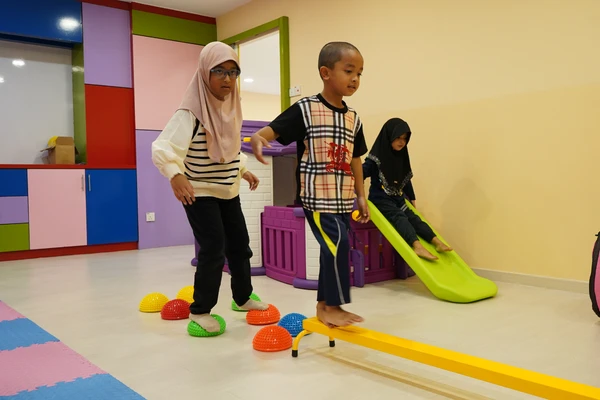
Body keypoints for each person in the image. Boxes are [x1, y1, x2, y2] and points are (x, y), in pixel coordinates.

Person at [152, 42, 268, 333]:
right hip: (199, 192)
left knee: (240, 246)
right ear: (205, 72)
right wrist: (175, 174)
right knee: (214, 249)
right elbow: (163, 147)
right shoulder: (190, 112)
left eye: (233, 72)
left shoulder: (232, 108)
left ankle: (242, 298)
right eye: (220, 72)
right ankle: (201, 310)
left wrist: (242, 170)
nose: (227, 79)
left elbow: (229, 148)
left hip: (228, 191)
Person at [250, 42, 369, 328]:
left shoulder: (353, 118)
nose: (355, 79)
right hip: (316, 196)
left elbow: (355, 159)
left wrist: (361, 195)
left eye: (360, 73)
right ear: (326, 73)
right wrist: (258, 138)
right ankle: (332, 306)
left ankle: (324, 305)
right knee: (337, 245)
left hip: (343, 198)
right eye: (349, 71)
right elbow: (270, 131)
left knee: (333, 247)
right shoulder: (306, 109)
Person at [363, 118, 452, 261]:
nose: (401, 142)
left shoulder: (401, 157)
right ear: (389, 136)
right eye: (398, 138)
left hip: (397, 198)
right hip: (380, 199)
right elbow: (361, 173)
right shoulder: (375, 158)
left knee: (414, 218)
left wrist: (412, 198)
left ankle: (436, 241)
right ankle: (417, 246)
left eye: (404, 138)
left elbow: (405, 179)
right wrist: (358, 196)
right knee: (400, 217)